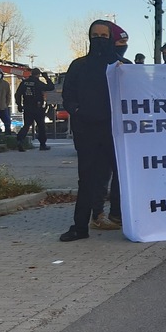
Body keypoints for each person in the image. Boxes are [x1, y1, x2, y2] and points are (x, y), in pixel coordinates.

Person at [59, 19, 121, 242]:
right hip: (87, 131)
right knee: (86, 179)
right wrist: (77, 110)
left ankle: (124, 219)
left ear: (111, 38)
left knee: (123, 176)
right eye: (95, 36)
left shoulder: (122, 66)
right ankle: (80, 226)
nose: (99, 40)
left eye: (104, 36)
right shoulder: (78, 65)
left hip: (115, 131)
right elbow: (68, 95)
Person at [15, 67, 54, 151]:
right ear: (38, 75)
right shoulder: (38, 83)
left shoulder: (24, 83)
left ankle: (20, 140)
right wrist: (46, 78)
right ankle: (42, 144)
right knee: (41, 126)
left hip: (27, 107)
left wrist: (19, 105)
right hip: (37, 108)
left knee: (26, 126)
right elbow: (51, 87)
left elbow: (18, 94)